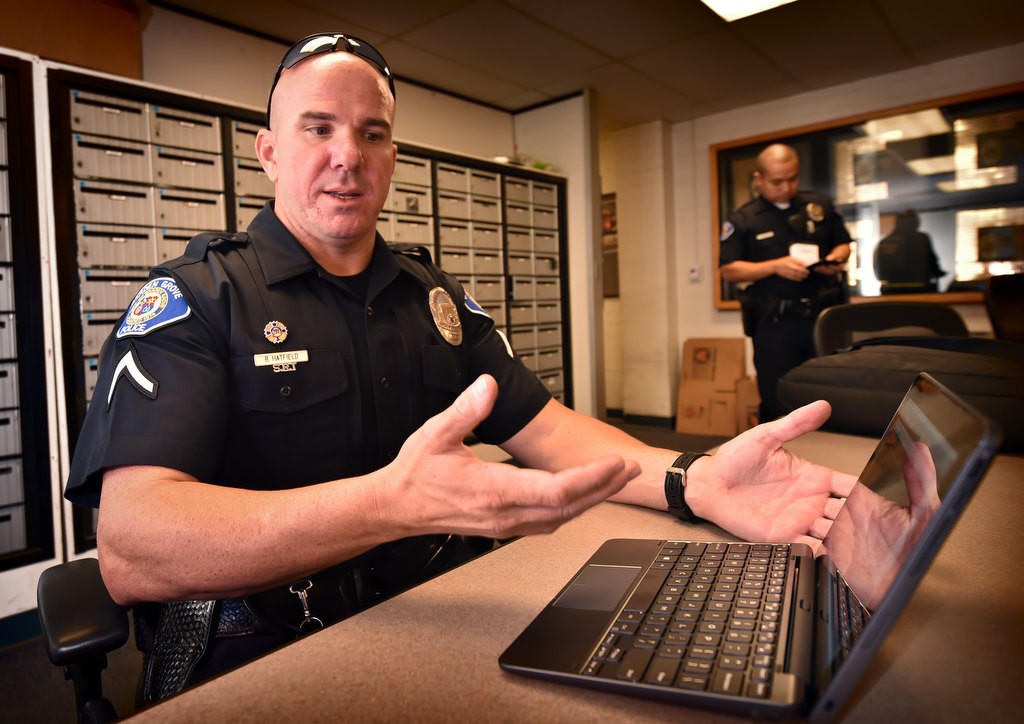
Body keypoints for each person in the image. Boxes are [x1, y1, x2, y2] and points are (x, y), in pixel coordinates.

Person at [66, 35, 860, 703]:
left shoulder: (430, 295)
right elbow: (135, 547)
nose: (347, 156)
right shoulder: (197, 298)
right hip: (263, 655)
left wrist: (695, 478)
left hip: (443, 616)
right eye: (318, 129)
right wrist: (389, 504)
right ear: (269, 151)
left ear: (393, 155)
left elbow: (547, 431)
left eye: (372, 134)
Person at [720, 144, 852, 423]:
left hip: (822, 318)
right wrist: (774, 266)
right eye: (777, 181)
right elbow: (730, 270)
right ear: (759, 178)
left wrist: (837, 258)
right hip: (775, 323)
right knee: (778, 397)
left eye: (792, 179)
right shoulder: (744, 218)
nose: (786, 187)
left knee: (830, 393)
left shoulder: (819, 206)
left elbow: (843, 243)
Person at [873, 209, 946, 294]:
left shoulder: (884, 242)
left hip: (890, 291)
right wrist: (938, 273)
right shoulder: (921, 239)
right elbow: (932, 263)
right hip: (919, 289)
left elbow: (878, 274)